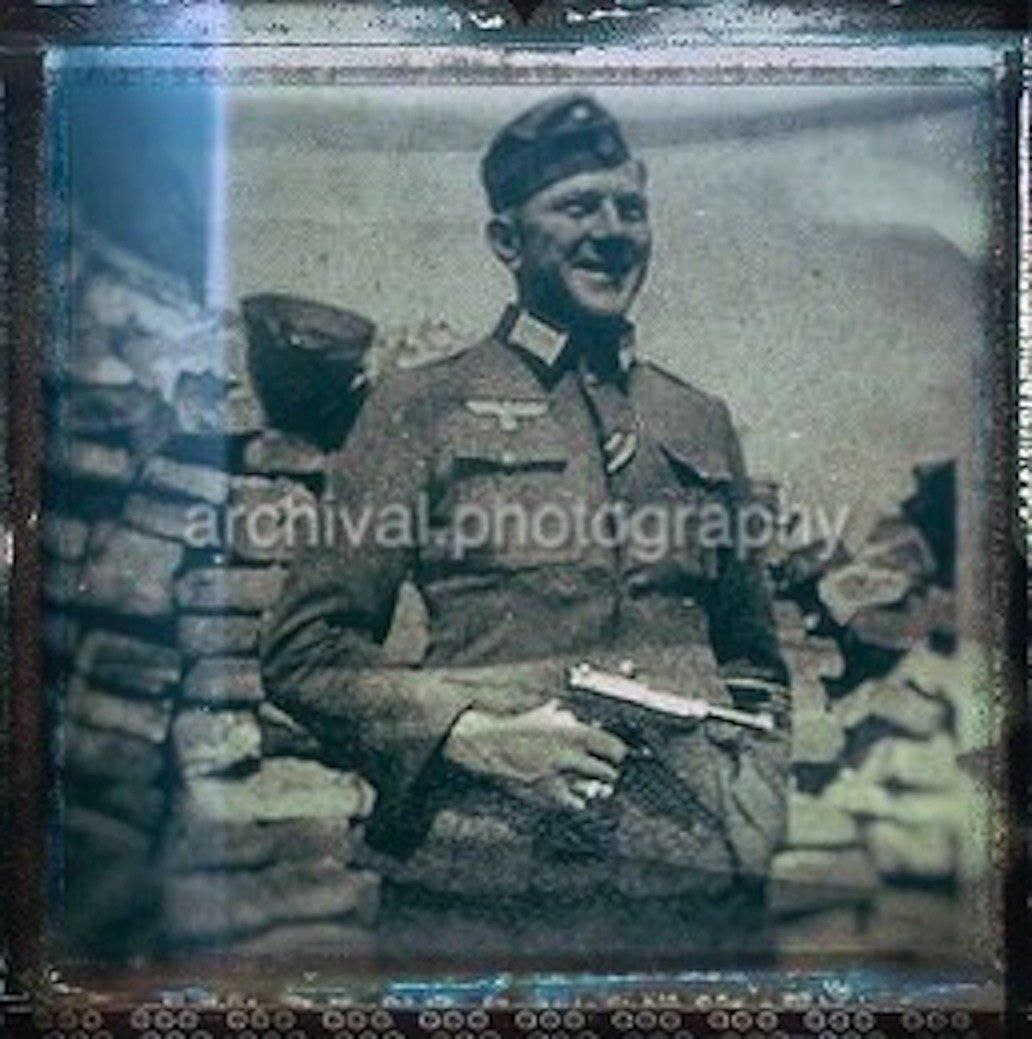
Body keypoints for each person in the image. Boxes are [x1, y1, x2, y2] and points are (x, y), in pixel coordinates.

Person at [260, 92, 791, 968]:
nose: (612, 232)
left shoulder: (696, 419)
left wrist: (753, 816)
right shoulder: (421, 406)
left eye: (630, 208)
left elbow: (753, 659)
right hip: (480, 889)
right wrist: (473, 735)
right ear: (506, 241)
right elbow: (305, 652)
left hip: (690, 893)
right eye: (578, 207)